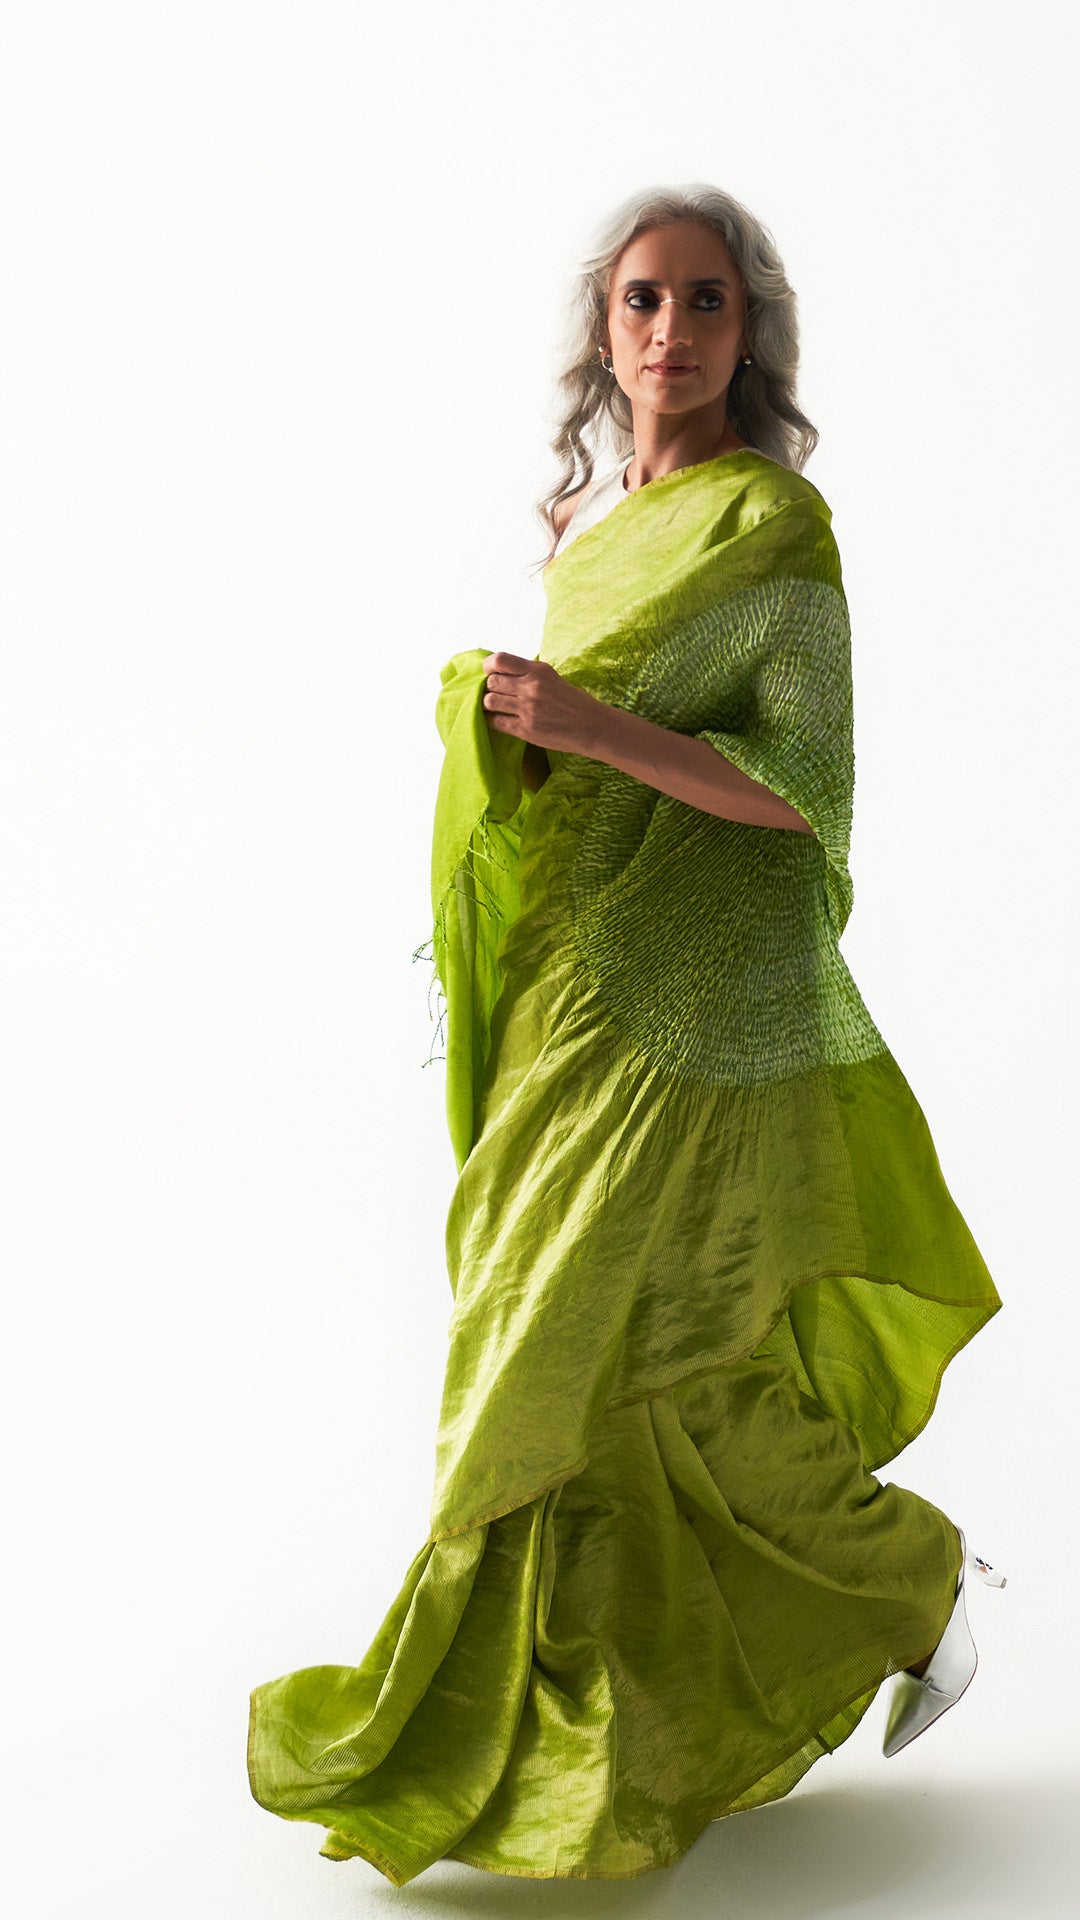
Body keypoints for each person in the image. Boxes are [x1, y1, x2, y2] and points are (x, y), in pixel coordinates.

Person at [246, 183, 1006, 1887]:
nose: (673, 330)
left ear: (753, 331)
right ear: (605, 328)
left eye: (707, 300)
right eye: (645, 299)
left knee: (552, 1350)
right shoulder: (594, 528)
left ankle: (486, 1735)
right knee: (661, 1373)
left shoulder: (773, 528)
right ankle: (851, 1611)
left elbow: (802, 791)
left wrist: (584, 725)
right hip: (563, 990)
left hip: (687, 1010)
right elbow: (578, 773)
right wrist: (514, 743)